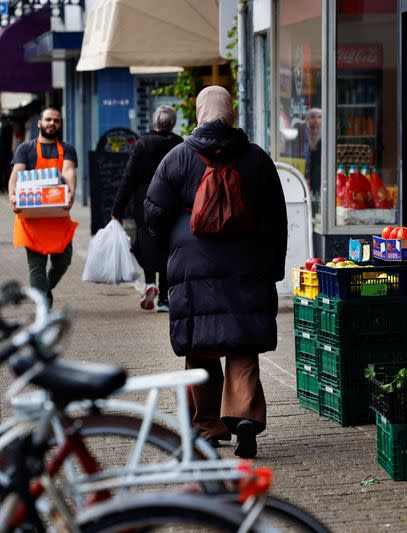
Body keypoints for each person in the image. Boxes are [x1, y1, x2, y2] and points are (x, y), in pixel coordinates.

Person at [144, 86, 288, 458]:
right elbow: (276, 219)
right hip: (248, 265)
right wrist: (274, 266)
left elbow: (153, 215)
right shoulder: (256, 159)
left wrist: (168, 259)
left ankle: (208, 427)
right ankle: (242, 417)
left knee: (201, 346)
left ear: (198, 113)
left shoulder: (177, 158)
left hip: (194, 270)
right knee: (242, 346)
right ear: (232, 114)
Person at [111, 106, 182, 312]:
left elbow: (129, 177)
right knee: (168, 248)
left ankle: (149, 283)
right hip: (171, 203)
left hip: (145, 202)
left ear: (155, 122)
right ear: (173, 123)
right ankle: (164, 299)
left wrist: (118, 209)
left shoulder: (143, 143)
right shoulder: (178, 144)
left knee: (145, 243)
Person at [8, 107, 78, 308]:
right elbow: (16, 175)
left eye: (56, 120)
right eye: (48, 119)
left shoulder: (67, 149)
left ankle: (43, 291)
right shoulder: (25, 149)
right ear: (39, 123)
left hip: (58, 217)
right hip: (32, 218)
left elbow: (69, 171)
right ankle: (43, 307)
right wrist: (13, 196)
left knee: (63, 262)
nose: (52, 123)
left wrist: (70, 193)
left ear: (60, 124)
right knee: (36, 267)